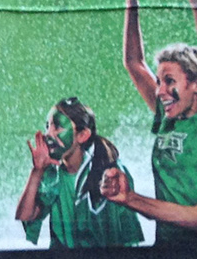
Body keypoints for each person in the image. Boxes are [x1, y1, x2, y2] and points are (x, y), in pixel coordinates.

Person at [100, 0, 197, 243]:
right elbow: (134, 63)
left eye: (170, 81)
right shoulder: (168, 116)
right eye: (160, 81)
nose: (160, 91)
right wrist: (132, 0)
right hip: (165, 249)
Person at [15, 96, 146, 248]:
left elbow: (129, 237)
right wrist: (37, 171)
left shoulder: (111, 173)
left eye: (57, 127)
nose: (48, 134)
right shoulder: (52, 174)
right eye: (47, 126)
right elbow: (25, 216)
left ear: (82, 135)